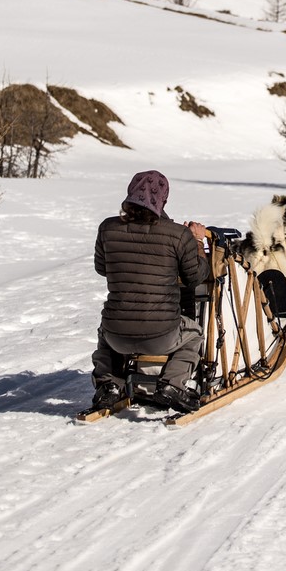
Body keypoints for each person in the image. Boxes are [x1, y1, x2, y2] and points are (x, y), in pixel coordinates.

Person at [91, 170, 210, 413]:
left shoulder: (107, 228)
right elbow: (195, 276)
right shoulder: (179, 234)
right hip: (161, 335)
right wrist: (197, 241)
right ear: (162, 199)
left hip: (117, 337)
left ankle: (108, 384)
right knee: (195, 334)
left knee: (106, 330)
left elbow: (102, 268)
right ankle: (172, 385)